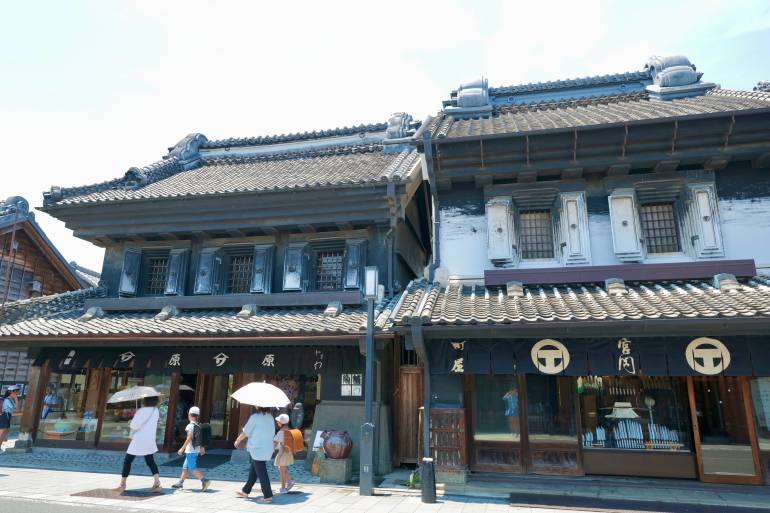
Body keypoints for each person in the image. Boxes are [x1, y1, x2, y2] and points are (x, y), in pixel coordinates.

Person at [114, 396, 162, 494]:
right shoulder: (155, 410)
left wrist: (130, 422)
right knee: (150, 460)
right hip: (150, 439)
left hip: (139, 439)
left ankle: (122, 484)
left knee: (128, 460)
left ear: (145, 400)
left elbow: (135, 426)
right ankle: (157, 483)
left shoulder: (142, 411)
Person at [234, 407, 275, 502]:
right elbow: (272, 433)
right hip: (267, 447)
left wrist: (238, 440)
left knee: (261, 471)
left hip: (257, 448)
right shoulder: (271, 418)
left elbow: (246, 432)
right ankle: (245, 491)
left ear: (258, 407)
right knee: (255, 469)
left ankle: (268, 495)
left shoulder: (255, 417)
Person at [171, 406, 211, 491]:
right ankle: (180, 483)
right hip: (195, 450)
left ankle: (205, 481)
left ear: (189, 415)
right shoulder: (198, 425)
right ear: (198, 416)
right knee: (185, 467)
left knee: (193, 468)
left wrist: (182, 448)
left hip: (190, 451)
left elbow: (189, 437)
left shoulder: (190, 426)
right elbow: (201, 438)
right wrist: (202, 448)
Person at [273, 413, 295, 493]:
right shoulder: (290, 431)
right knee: (282, 468)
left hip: (283, 452)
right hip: (288, 452)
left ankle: (283, 488)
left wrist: (270, 450)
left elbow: (274, 443)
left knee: (281, 470)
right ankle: (290, 481)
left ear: (281, 423)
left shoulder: (280, 432)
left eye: (278, 421)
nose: (277, 423)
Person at [0, 385, 21, 450]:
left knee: (4, 432)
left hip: (7, 416)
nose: (18, 392)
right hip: (5, 416)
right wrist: (16, 398)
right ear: (13, 391)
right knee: (2, 433)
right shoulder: (8, 399)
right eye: (17, 391)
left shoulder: (9, 399)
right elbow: (17, 409)